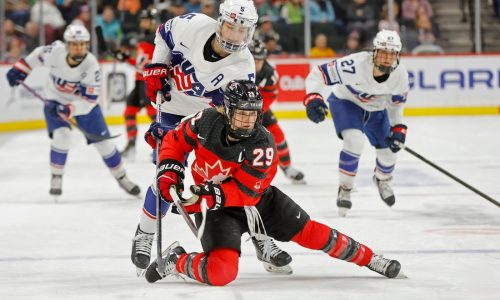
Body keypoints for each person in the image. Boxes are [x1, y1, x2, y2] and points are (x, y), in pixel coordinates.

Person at [143, 80, 402, 286]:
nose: (248, 121)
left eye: (253, 114)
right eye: (241, 114)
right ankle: (178, 260)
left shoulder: (263, 145)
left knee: (312, 233)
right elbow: (175, 141)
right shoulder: (206, 120)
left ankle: (371, 259)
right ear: (226, 110)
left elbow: (246, 193)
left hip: (257, 202)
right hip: (215, 210)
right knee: (220, 273)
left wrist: (204, 198)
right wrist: (170, 171)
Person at [131, 0, 292, 276]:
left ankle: (260, 236)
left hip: (208, 121)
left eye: (243, 31)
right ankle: (145, 233)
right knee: (168, 178)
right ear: (220, 22)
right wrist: (158, 63)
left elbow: (227, 112)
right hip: (170, 109)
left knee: (235, 182)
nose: (235, 36)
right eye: (231, 27)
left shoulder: (242, 67)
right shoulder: (193, 25)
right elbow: (163, 34)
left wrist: (183, 134)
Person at [5, 24, 140, 198]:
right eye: (75, 44)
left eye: (82, 44)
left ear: (87, 45)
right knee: (62, 137)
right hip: (54, 100)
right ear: (67, 45)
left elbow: (89, 101)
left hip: (82, 105)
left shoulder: (91, 66)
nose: (79, 48)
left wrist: (69, 109)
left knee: (105, 144)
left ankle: (122, 178)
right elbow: (38, 55)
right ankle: (56, 176)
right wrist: (20, 69)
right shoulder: (55, 51)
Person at [303, 29, 409, 217]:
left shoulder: (400, 76)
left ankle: (382, 179)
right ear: (374, 52)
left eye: (391, 54)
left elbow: (395, 106)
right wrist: (312, 97)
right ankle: (345, 187)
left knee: (389, 155)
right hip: (347, 103)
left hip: (376, 111)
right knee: (354, 141)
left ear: (397, 56)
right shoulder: (355, 64)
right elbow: (317, 74)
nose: (386, 58)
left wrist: (398, 127)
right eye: (383, 52)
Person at [248, 39, 305, 183]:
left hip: (257, 109)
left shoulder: (269, 74)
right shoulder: (235, 69)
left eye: (259, 60)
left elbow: (270, 95)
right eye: (253, 60)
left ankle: (287, 168)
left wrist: (257, 112)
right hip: (234, 110)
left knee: (277, 135)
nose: (256, 64)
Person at [116, 9, 158, 159]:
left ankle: (160, 146)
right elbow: (141, 63)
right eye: (141, 20)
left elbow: (150, 64)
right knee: (129, 111)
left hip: (148, 82)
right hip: (139, 81)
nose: (142, 23)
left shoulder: (156, 39)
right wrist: (126, 58)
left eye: (145, 20)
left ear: (153, 22)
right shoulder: (144, 38)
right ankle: (131, 144)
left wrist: (126, 58)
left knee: (154, 114)